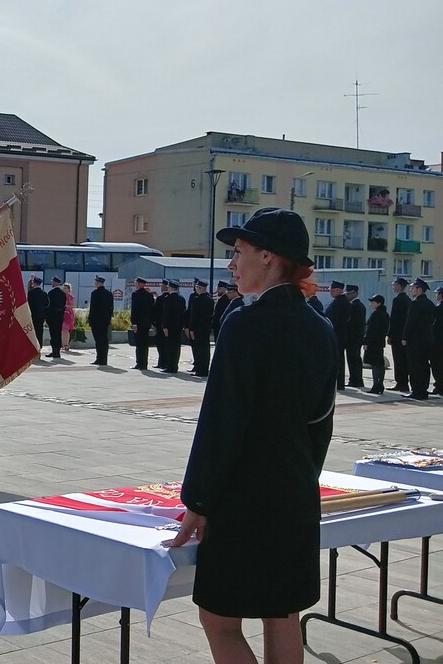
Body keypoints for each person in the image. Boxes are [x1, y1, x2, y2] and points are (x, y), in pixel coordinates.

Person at [168, 207, 336, 663]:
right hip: (296, 495)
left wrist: (198, 500)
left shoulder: (245, 323)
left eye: (238, 252)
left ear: (268, 256)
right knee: (282, 613)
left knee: (219, 620)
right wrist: (300, 474)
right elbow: (322, 423)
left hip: (244, 501)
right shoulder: (320, 327)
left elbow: (222, 422)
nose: (231, 263)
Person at [403, 278, 435, 401]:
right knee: (424, 366)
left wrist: (405, 337)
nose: (411, 289)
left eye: (413, 287)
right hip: (427, 339)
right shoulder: (430, 303)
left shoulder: (415, 303)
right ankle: (423, 390)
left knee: (415, 366)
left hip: (415, 340)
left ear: (419, 289)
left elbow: (410, 322)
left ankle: (416, 390)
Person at [324, 280, 351, 390]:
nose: (331, 292)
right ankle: (338, 382)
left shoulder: (340, 302)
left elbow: (335, 319)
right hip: (336, 334)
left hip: (337, 335)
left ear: (340, 290)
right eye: (330, 290)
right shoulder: (337, 301)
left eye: (333, 290)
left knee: (338, 360)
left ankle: (338, 383)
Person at [186, 279, 214, 377]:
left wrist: (191, 329)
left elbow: (194, 316)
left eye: (197, 287)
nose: (196, 289)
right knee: (205, 350)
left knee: (198, 350)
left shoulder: (197, 300)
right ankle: (204, 369)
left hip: (197, 329)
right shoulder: (210, 299)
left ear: (200, 288)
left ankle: (199, 370)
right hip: (205, 328)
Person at [364, 293, 389, 395]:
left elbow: (370, 330)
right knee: (380, 364)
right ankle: (380, 384)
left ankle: (376, 385)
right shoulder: (385, 314)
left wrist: (366, 342)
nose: (371, 304)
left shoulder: (376, 314)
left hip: (373, 343)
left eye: (373, 302)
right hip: (380, 342)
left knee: (375, 364)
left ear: (379, 303)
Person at [389, 277, 411, 392]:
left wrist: (390, 334)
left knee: (398, 360)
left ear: (399, 286)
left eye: (395, 285)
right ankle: (404, 382)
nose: (393, 287)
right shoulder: (408, 300)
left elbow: (394, 319)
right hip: (404, 335)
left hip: (397, 335)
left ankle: (401, 383)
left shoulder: (397, 300)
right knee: (404, 360)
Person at [161, 280, 186, 374]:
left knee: (170, 346)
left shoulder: (168, 298)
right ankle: (175, 365)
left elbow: (166, 314)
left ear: (170, 287)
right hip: (178, 326)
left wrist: (165, 326)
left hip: (170, 326)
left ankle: (170, 366)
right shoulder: (181, 299)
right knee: (176, 347)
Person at [87, 275, 113, 366]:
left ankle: (99, 358)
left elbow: (93, 308)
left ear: (98, 283)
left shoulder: (95, 293)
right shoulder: (109, 294)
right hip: (105, 321)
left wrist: (90, 320)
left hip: (96, 321)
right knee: (104, 341)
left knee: (98, 341)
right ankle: (104, 360)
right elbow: (111, 308)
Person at [345, 285, 366, 389]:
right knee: (354, 358)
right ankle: (356, 379)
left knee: (353, 358)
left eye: (349, 293)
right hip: (356, 337)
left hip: (353, 337)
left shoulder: (355, 305)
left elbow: (353, 323)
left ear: (355, 293)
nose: (348, 295)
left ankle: (355, 380)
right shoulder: (359, 305)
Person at [130, 278, 153, 370]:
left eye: (136, 283)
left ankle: (139, 363)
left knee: (139, 344)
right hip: (146, 323)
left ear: (139, 284)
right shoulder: (149, 295)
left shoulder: (135, 294)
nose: (135, 284)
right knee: (145, 344)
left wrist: (134, 322)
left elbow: (134, 309)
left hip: (138, 323)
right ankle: (144, 364)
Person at [46, 277, 66, 359]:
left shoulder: (51, 293)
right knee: (58, 333)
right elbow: (64, 305)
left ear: (55, 283)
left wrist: (47, 316)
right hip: (60, 316)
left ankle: (55, 351)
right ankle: (57, 351)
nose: (51, 283)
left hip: (52, 316)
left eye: (52, 282)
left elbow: (48, 305)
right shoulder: (63, 293)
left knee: (53, 334)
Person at [26, 277, 48, 350]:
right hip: (41, 315)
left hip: (33, 315)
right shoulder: (44, 293)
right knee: (40, 331)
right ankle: (40, 345)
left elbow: (28, 304)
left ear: (34, 283)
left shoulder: (31, 293)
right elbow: (47, 304)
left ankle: (33, 346)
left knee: (33, 331)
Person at [433, 286, 443, 395]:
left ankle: (439, 386)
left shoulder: (439, 308)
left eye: (437, 293)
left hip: (438, 341)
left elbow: (434, 324)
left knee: (437, 365)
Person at [61, 282, 75, 351]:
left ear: (69, 289)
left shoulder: (71, 297)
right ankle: (63, 344)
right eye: (63, 288)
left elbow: (72, 306)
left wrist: (66, 306)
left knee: (66, 330)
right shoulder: (61, 296)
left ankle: (66, 344)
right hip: (62, 314)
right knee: (63, 330)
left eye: (65, 288)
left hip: (68, 314)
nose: (64, 289)